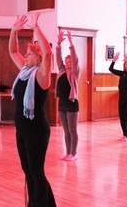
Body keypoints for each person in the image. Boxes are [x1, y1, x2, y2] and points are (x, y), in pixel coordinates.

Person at [9, 13, 56, 206]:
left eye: (30, 54)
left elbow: (49, 54)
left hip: (37, 130)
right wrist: (14, 30)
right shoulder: (24, 72)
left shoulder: (41, 76)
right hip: (22, 129)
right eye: (26, 54)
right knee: (28, 170)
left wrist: (36, 28)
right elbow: (13, 51)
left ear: (38, 59)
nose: (25, 56)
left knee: (36, 172)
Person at [56, 30, 80, 161]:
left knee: (72, 130)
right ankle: (68, 152)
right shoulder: (61, 71)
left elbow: (75, 58)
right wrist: (59, 43)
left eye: (70, 61)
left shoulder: (75, 73)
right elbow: (58, 58)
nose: (68, 63)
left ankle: (74, 153)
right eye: (67, 61)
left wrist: (71, 42)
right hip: (62, 104)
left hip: (72, 103)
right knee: (66, 131)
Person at [109, 52, 127, 142]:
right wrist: (114, 60)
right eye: (125, 62)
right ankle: (125, 135)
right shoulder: (123, 74)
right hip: (122, 98)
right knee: (122, 117)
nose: (126, 63)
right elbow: (111, 69)